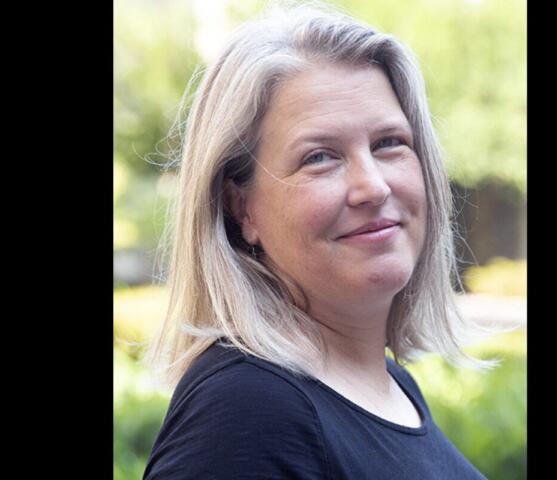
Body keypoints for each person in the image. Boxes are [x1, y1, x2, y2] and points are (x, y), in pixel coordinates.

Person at [142, 3, 500, 479]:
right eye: (319, 157)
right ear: (238, 205)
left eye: (388, 143)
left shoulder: (392, 387)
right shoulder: (248, 412)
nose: (373, 187)